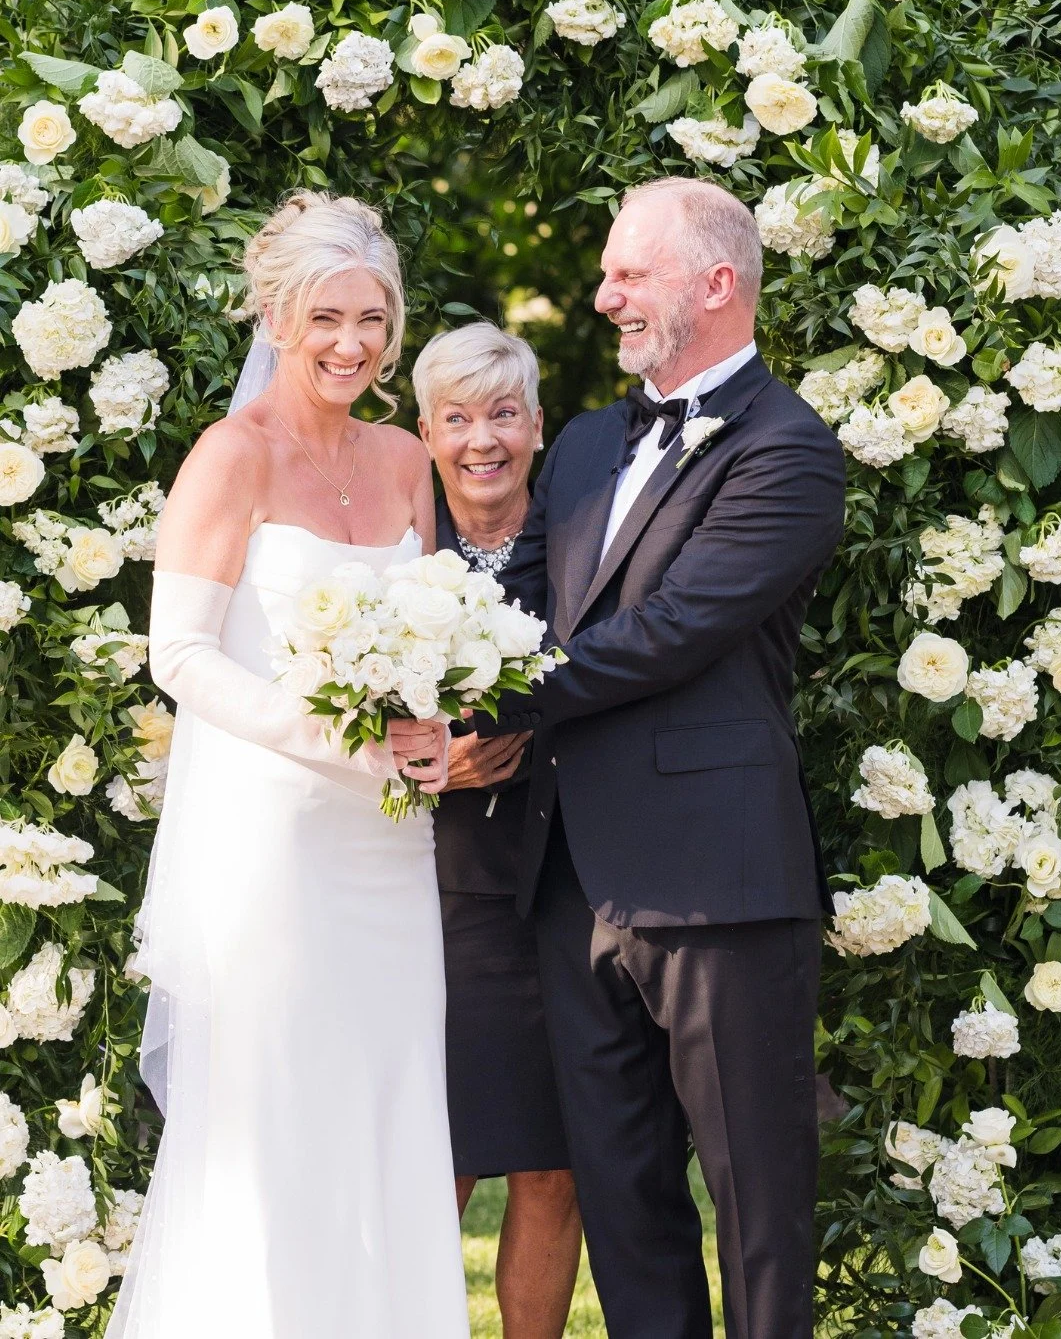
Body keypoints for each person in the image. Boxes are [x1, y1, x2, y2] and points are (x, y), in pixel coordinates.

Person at [478, 177, 848, 1339]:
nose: (604, 298)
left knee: (759, 1214)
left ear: (717, 283)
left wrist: (497, 700)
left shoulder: (791, 451)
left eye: (629, 274)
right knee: (628, 1210)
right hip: (570, 882)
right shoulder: (588, 440)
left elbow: (673, 631)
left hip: (717, 885)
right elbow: (522, 603)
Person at [107, 191, 469, 1338]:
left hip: (390, 852)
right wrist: (333, 740)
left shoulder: (409, 457)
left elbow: (439, 636)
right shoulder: (233, 455)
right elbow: (181, 657)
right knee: (278, 1117)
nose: (353, 343)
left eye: (374, 318)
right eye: (327, 317)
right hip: (274, 845)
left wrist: (440, 728)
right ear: (276, 312)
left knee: (390, 1105)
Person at [412, 323, 582, 1339]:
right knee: (442, 1156)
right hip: (445, 887)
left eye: (505, 414)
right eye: (459, 418)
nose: (484, 440)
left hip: (573, 883)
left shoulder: (587, 538)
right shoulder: (398, 548)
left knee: (556, 1161)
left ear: (538, 426)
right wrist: (424, 755)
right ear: (426, 431)